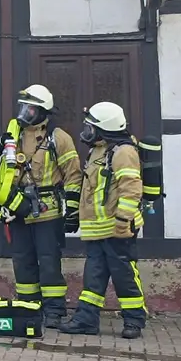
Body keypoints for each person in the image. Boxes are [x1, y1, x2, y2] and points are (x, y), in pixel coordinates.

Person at [0, 85, 83, 329]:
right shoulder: (14, 133)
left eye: (31, 108)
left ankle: (54, 310)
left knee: (49, 261)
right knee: (23, 261)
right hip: (18, 209)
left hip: (47, 212)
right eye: (24, 107)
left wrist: (72, 211)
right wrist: (0, 148)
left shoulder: (58, 138)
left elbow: (73, 176)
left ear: (43, 111)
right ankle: (29, 307)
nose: (25, 112)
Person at [60, 101, 146, 338]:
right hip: (98, 229)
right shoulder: (98, 150)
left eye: (91, 127)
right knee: (93, 278)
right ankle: (87, 319)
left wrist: (122, 220)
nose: (86, 131)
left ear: (105, 128)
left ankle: (134, 321)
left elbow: (130, 189)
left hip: (118, 229)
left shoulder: (124, 152)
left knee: (124, 276)